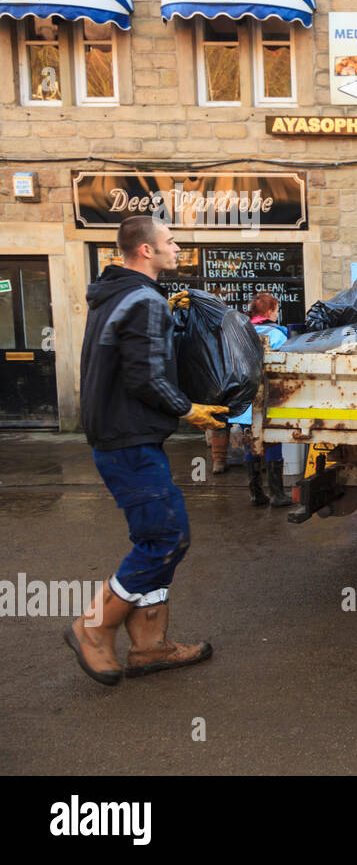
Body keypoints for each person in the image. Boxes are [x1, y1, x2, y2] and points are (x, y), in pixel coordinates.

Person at [67, 214, 225, 686]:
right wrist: (189, 408)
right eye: (171, 242)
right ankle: (94, 627)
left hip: (120, 435)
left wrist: (169, 320)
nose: (178, 249)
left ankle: (149, 646)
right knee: (166, 538)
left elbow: (131, 359)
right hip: (129, 437)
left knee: (156, 537)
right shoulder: (144, 302)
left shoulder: (120, 295)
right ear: (145, 251)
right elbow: (146, 377)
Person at [228, 292, 291, 507]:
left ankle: (256, 494)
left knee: (249, 443)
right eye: (276, 310)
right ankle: (277, 495)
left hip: (244, 402)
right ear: (268, 312)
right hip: (270, 399)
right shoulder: (277, 335)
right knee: (272, 441)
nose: (277, 314)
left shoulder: (239, 334)